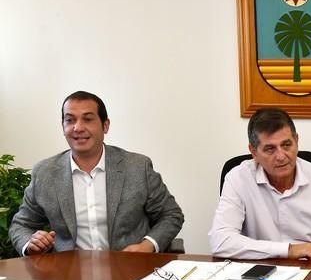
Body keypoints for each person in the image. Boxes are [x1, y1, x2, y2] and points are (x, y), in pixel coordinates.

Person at [10, 91, 184, 255]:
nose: (78, 127)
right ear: (63, 126)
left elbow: (171, 215)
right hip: (68, 276)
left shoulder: (137, 167)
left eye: (87, 119)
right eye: (70, 120)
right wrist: (31, 244)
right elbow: (21, 225)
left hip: (130, 270)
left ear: (105, 125)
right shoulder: (45, 173)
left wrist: (147, 246)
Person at [209, 107, 311, 261]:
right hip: (260, 276)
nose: (281, 156)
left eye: (287, 145)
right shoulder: (238, 178)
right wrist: (287, 250)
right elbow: (220, 241)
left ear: (297, 141)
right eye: (270, 149)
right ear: (253, 152)